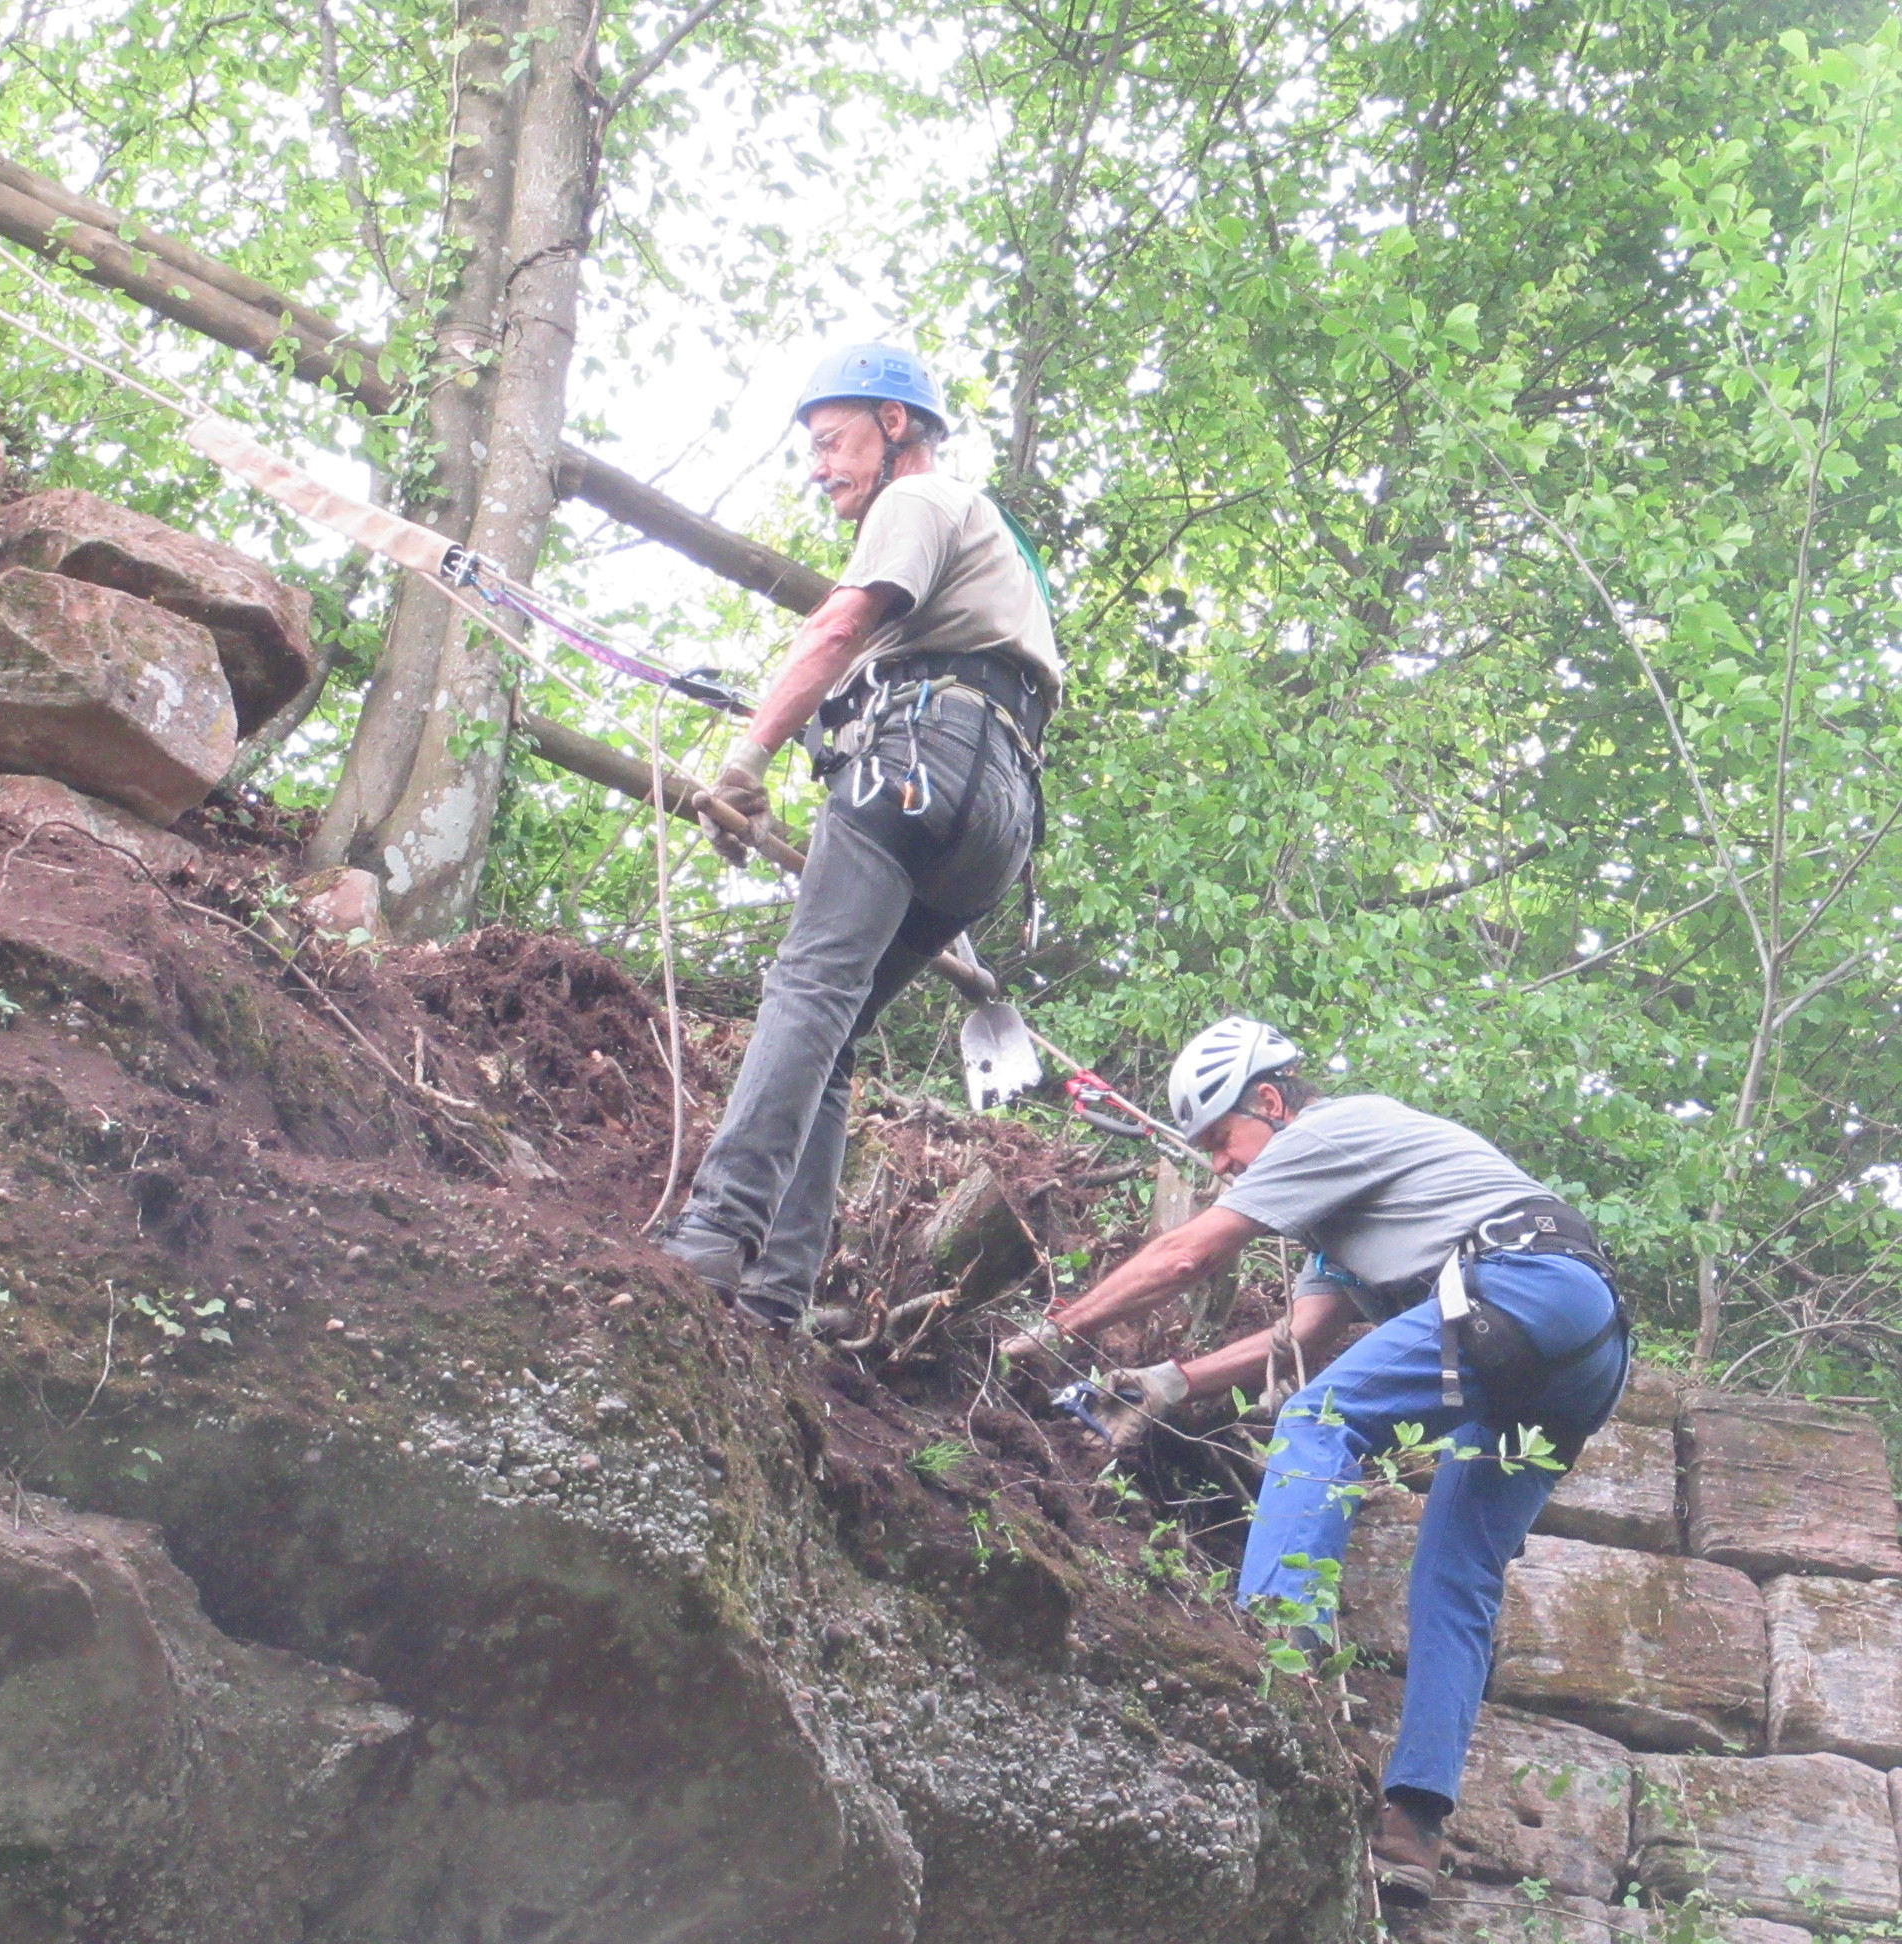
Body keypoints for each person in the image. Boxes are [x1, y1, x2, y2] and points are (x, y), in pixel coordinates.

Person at [998, 1016, 1629, 1909]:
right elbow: (1301, 1334)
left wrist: (1052, 1331)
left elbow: (1189, 1254)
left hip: (1519, 1284)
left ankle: (1276, 1661)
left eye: (1222, 1140)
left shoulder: (1331, 1129)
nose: (1220, 1165)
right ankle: (1413, 1828)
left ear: (1270, 1100)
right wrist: (1168, 1383)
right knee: (1457, 1575)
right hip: (1584, 1345)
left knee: (1319, 1422)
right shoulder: (1343, 1220)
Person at [659, 343, 1062, 1328]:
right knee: (834, 1034)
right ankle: (779, 1288)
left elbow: (835, 630)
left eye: (833, 441)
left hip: (924, 765)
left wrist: (746, 760)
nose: (821, 467)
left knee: (808, 989)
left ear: (894, 426)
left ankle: (714, 1233)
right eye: (813, 450)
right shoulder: (988, 554)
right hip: (994, 821)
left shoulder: (916, 499)